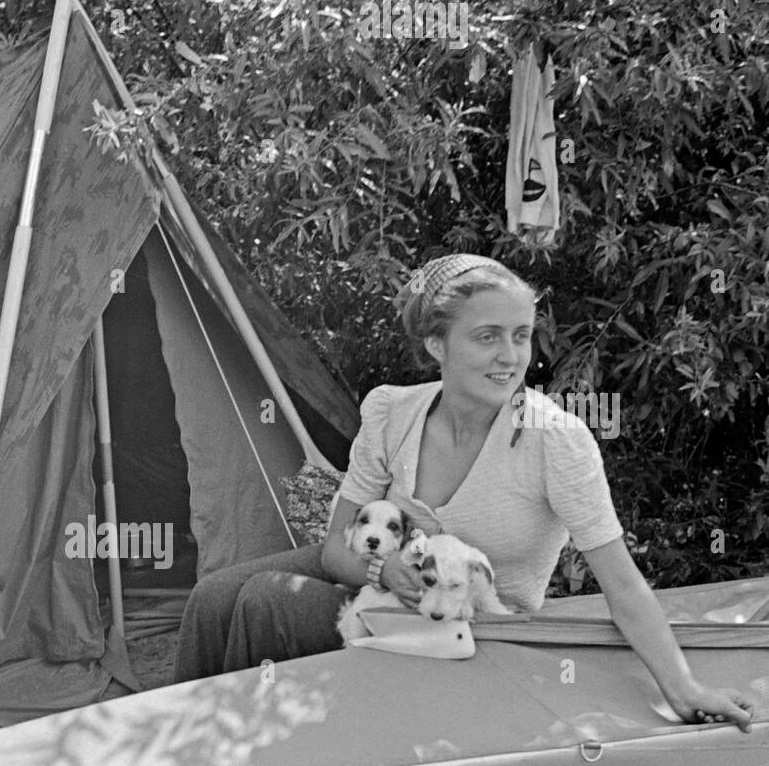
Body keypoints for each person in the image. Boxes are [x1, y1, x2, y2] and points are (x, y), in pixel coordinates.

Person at [172, 252, 753, 731]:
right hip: (386, 583)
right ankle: (182, 740)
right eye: (488, 336)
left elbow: (622, 582)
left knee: (271, 600)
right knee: (214, 597)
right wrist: (383, 574)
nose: (511, 357)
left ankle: (255, 749)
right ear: (436, 346)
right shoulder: (392, 411)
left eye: (521, 336)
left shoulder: (554, 440)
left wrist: (683, 689)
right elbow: (335, 551)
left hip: (472, 620)